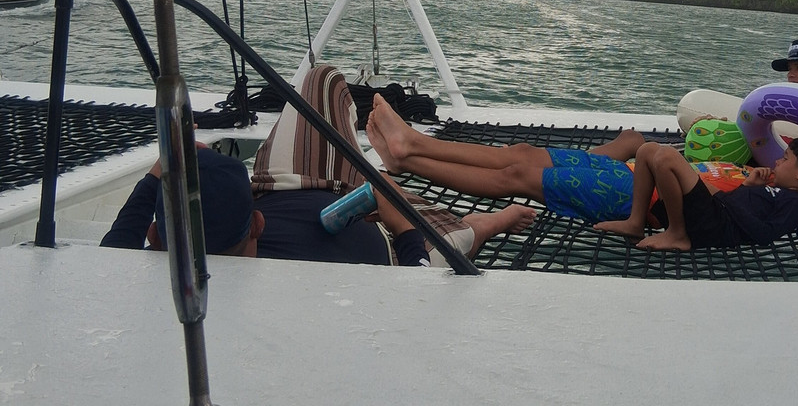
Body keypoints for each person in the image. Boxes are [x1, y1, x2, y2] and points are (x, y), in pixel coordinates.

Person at [365, 37, 798, 225]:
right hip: (645, 173)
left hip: (649, 191)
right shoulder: (778, 137)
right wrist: (757, 171)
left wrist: (787, 169)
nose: (790, 77)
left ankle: (410, 152)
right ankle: (413, 148)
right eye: (788, 69)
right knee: (523, 151)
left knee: (517, 176)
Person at [102, 64, 534, 264]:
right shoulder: (334, 286)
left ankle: (388, 176)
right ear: (256, 225)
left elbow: (120, 241)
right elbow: (415, 277)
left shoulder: (125, 275)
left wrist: (168, 167)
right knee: (453, 234)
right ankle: (488, 220)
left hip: (286, 184)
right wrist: (394, 216)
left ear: (155, 236)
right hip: (389, 235)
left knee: (320, 80)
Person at [595, 135, 798, 251]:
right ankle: (635, 222)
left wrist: (725, 200)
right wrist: (748, 187)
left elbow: (763, 234)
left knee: (667, 157)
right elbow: (743, 205)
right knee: (648, 150)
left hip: (716, 225)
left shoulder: (797, 205)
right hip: (718, 212)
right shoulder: (774, 191)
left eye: (785, 158)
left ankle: (677, 234)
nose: (778, 163)